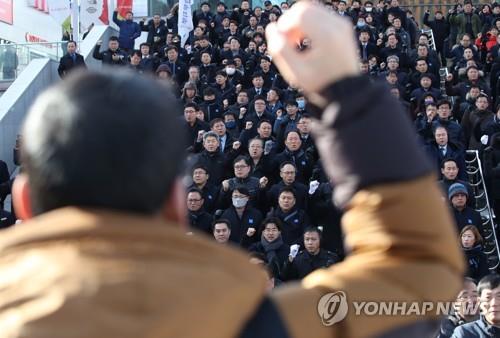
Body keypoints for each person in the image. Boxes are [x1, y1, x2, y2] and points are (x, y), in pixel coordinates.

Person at [0, 3, 464, 337]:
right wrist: (346, 94)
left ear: (23, 201)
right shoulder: (258, 322)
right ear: (178, 201)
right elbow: (418, 280)